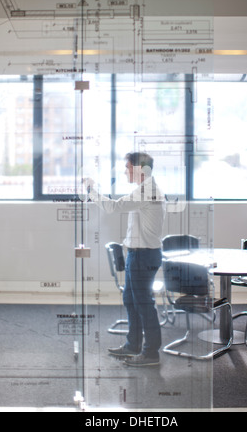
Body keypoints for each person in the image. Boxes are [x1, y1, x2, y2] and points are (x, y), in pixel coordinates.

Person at [83, 152, 166, 367]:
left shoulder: (147, 191)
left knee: (144, 304)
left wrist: (91, 190)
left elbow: (113, 207)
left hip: (143, 255)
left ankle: (151, 354)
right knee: (131, 300)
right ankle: (133, 345)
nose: (125, 171)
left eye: (128, 167)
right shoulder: (144, 190)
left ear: (140, 169)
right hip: (138, 254)